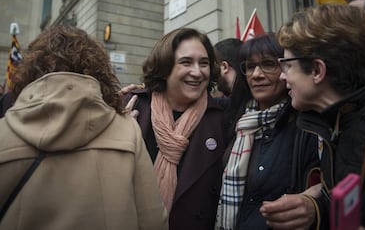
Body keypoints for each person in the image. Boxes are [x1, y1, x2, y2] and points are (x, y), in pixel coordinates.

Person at [0, 25, 168, 230]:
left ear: (30, 71)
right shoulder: (127, 131)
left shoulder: (3, 134)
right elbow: (153, 221)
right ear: (100, 70)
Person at [267, 3, 365, 229]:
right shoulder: (335, 123)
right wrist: (314, 209)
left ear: (317, 70)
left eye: (286, 66)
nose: (281, 78)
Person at [125, 27, 229, 230]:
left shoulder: (222, 119)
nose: (197, 72)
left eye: (204, 63)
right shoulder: (132, 106)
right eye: (186, 62)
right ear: (164, 67)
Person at [215, 33, 320, 230]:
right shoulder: (238, 119)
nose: (256, 74)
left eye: (268, 64)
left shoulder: (305, 127)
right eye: (250, 66)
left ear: (285, 69)